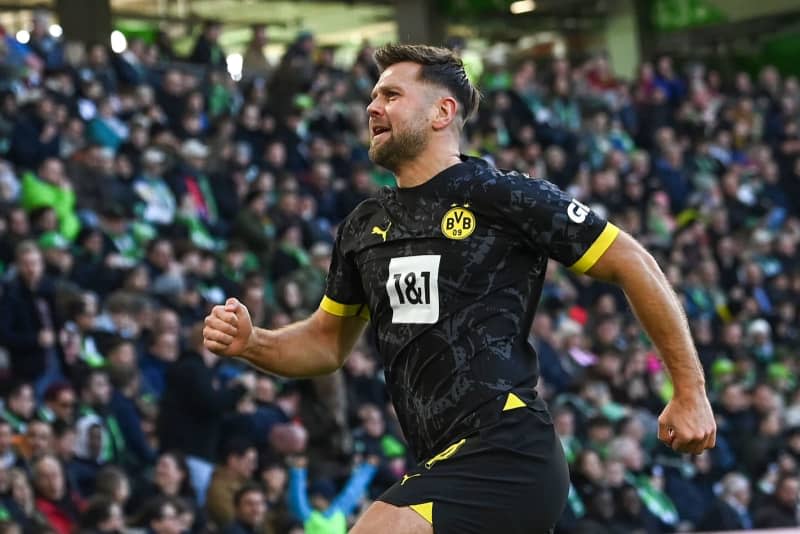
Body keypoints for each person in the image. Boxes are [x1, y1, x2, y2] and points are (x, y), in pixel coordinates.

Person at [203, 44, 716, 534]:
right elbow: (325, 342)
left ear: (442, 112)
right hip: (440, 459)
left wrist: (690, 391)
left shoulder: (501, 195)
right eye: (374, 95)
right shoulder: (364, 226)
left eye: (391, 95)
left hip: (507, 450)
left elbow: (631, 259)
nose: (372, 106)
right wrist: (253, 343)